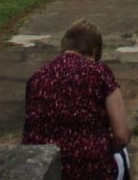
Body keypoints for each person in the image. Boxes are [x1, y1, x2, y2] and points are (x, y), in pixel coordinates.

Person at [22, 20, 130, 180]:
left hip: (41, 165)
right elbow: (121, 135)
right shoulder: (99, 73)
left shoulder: (37, 76)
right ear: (93, 52)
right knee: (123, 155)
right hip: (88, 167)